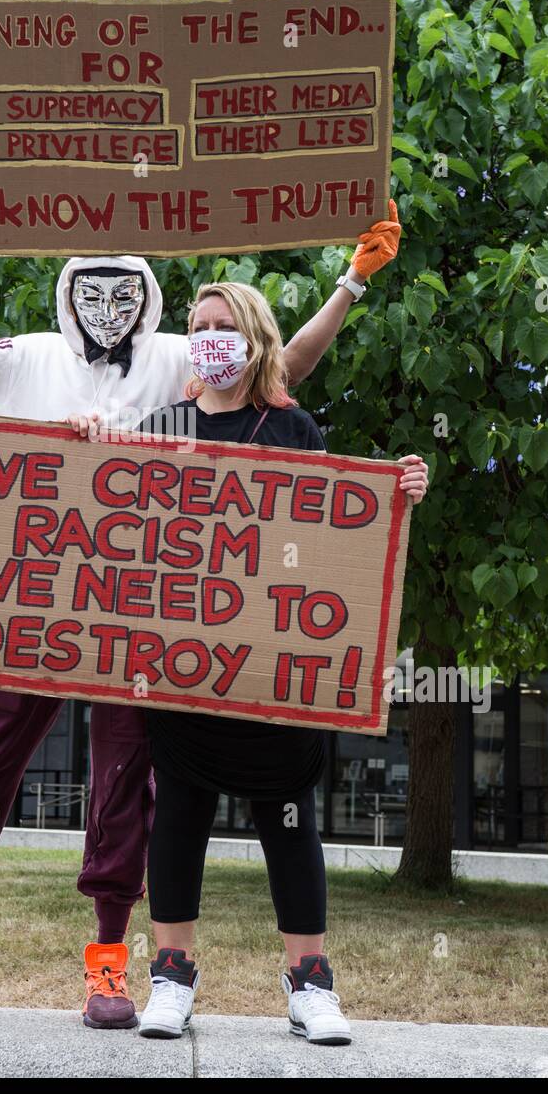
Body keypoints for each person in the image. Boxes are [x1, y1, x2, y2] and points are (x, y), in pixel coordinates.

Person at [0, 174, 402, 1027]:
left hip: (137, 624)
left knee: (124, 785)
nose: (108, 305)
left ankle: (109, 964)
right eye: (91, 289)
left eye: (125, 289)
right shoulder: (27, 354)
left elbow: (276, 368)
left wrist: (351, 284)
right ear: (68, 297)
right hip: (29, 608)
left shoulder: (185, 354)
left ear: (149, 299)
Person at [132, 280, 428, 1043]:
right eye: (197, 326)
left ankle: (311, 985)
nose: (207, 338)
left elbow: (335, 536)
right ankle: (171, 977)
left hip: (273, 676)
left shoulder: (295, 428)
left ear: (256, 337)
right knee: (180, 817)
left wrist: (394, 498)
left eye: (222, 325)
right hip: (183, 671)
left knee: (289, 822)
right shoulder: (161, 425)